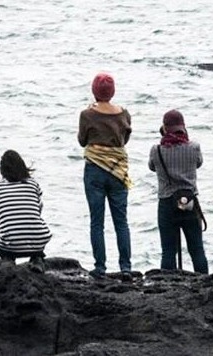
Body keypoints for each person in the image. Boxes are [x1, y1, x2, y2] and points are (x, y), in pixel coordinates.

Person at [78, 73, 133, 281]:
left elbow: (82, 141)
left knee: (96, 221)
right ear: (113, 92)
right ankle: (126, 267)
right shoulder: (124, 113)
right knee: (121, 221)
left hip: (94, 170)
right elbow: (124, 140)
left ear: (94, 91)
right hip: (118, 169)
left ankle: (100, 267)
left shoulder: (87, 115)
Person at [148, 109, 208, 274]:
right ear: (183, 127)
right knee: (197, 249)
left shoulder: (156, 150)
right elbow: (199, 163)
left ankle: (167, 286)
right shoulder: (194, 148)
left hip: (167, 202)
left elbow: (151, 167)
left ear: (165, 128)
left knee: (168, 251)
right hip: (189, 202)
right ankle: (205, 284)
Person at [0, 150, 52, 273]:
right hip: (39, 242)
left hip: (9, 246)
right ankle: (37, 258)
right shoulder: (33, 184)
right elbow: (36, 209)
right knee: (33, 213)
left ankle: (7, 258)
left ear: (2, 170)